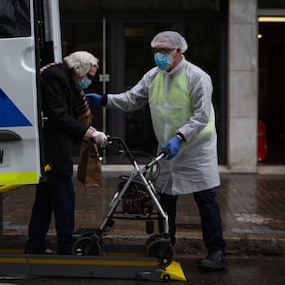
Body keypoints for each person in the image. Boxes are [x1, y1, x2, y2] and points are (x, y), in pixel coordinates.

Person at [86, 31, 226, 269]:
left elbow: (201, 116)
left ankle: (217, 252)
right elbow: (133, 99)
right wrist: (104, 99)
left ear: (178, 51)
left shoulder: (197, 77)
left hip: (196, 149)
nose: (158, 56)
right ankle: (165, 244)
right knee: (166, 200)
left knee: (206, 200)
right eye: (156, 51)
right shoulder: (154, 76)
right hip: (167, 148)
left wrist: (180, 138)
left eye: (163, 51)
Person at [24, 51, 108, 255]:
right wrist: (89, 132)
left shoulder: (62, 78)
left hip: (51, 146)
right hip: (52, 148)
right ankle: (66, 246)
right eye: (89, 76)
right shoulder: (56, 77)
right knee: (64, 198)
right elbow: (58, 115)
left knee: (45, 200)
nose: (90, 81)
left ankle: (35, 246)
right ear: (78, 69)